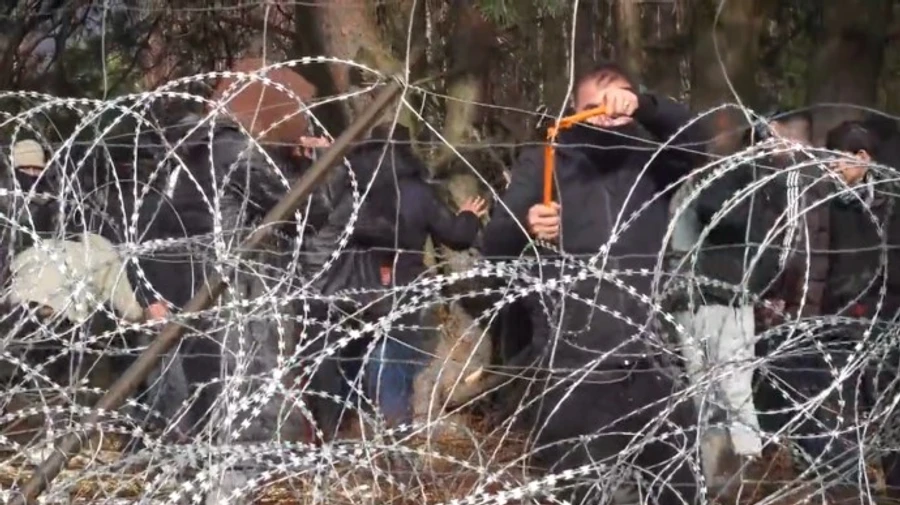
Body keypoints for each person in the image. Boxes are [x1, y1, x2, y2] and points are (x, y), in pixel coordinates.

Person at [480, 61, 707, 505]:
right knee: (580, 493)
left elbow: (701, 141)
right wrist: (528, 226)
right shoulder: (547, 158)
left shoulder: (653, 159)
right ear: (573, 108)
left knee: (680, 488)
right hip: (573, 365)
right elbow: (495, 245)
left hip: (651, 358)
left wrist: (646, 107)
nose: (605, 115)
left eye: (617, 104)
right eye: (592, 107)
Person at [666, 110, 829, 488]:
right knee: (705, 391)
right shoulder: (707, 180)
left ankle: (743, 473)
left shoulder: (748, 180)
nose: (713, 142)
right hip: (696, 300)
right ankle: (715, 475)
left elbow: (774, 244)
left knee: (732, 389)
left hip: (725, 298)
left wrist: (760, 289)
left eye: (721, 134)